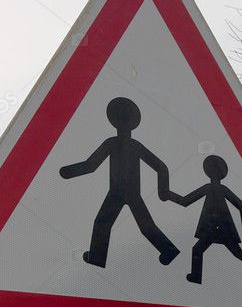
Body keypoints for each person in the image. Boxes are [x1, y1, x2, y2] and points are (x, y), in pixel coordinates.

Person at [59, 98, 179, 268]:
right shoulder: (132, 145)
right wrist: (163, 191)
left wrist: (68, 172)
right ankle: (169, 250)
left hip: (118, 192)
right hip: (129, 192)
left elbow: (90, 166)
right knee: (142, 225)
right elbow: (161, 168)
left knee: (104, 222)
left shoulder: (114, 143)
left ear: (114, 121)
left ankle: (98, 257)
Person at [168, 155, 242, 284]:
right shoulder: (217, 188)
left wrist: (168, 195)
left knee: (203, 250)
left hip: (216, 226)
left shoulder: (210, 188)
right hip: (219, 226)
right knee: (230, 252)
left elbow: (186, 201)